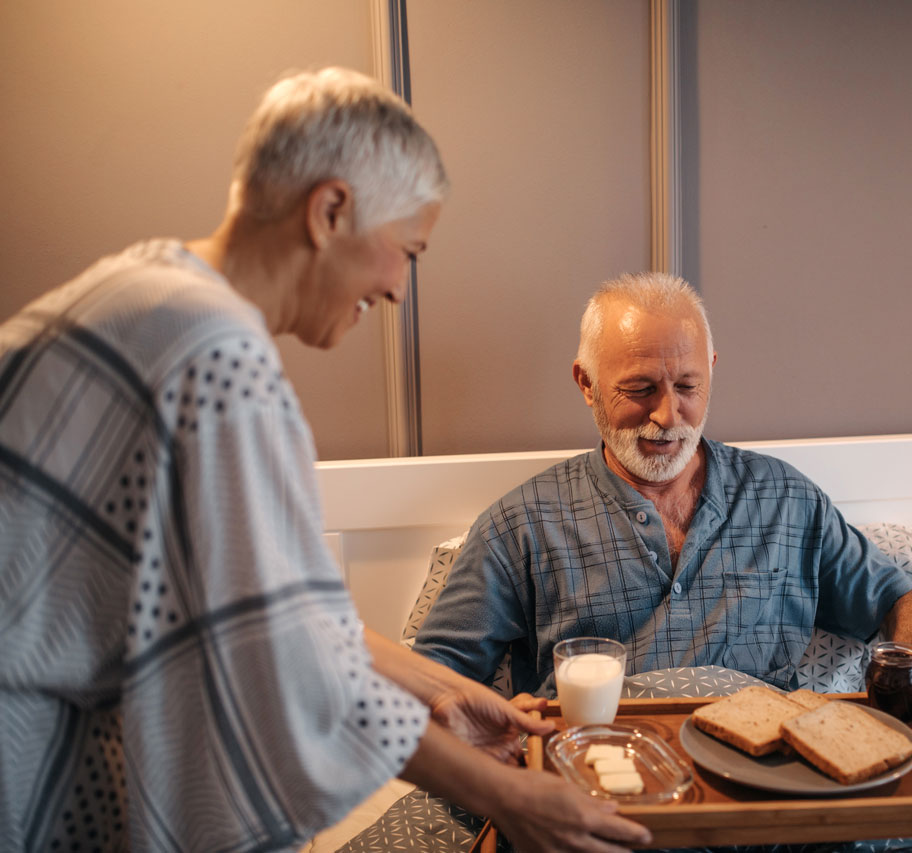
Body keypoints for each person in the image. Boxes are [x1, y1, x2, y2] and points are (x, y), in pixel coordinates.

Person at [0, 68, 649, 853]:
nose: (400, 289)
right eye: (407, 249)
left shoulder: (142, 289)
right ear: (331, 210)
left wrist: (445, 689)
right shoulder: (217, 358)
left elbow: (274, 608)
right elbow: (283, 665)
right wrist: (511, 796)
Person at [414, 272, 912, 705]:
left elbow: (902, 600)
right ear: (586, 383)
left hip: (764, 795)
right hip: (596, 792)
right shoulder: (521, 525)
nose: (667, 414)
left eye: (687, 386)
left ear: (712, 371)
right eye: (640, 388)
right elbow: (431, 677)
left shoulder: (787, 501)